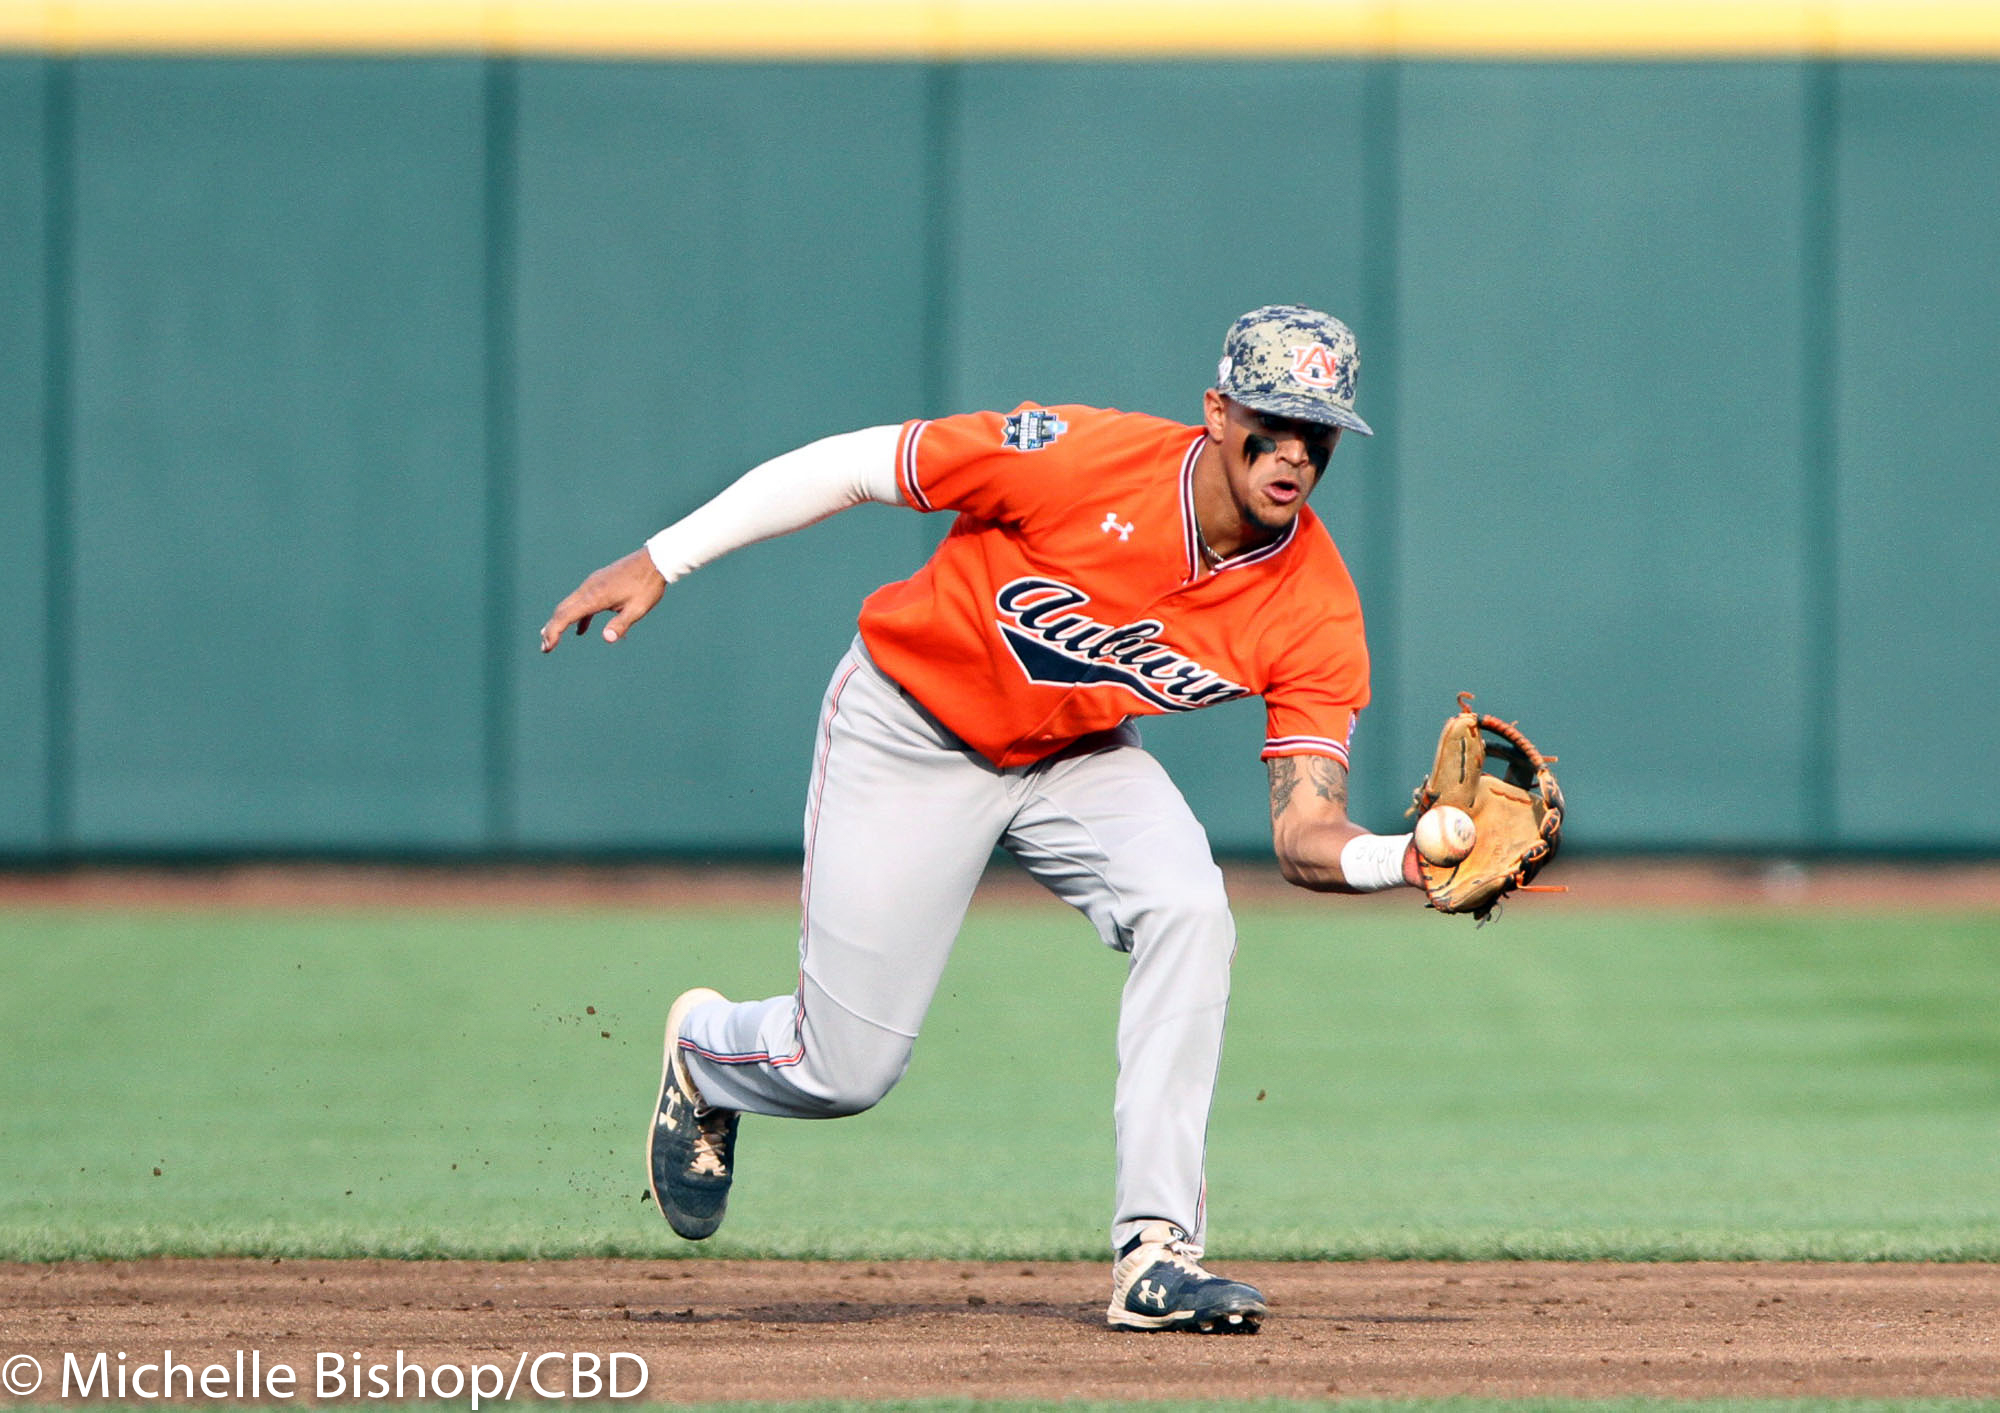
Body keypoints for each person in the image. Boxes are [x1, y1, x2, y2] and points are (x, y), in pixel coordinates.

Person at [539, 305, 1424, 1334]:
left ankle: (1156, 1253)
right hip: (909, 727)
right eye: (1274, 422)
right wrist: (665, 555)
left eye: (1320, 433)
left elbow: (1305, 834)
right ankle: (707, 1057)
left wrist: (1406, 858)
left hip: (1075, 754)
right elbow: (857, 465)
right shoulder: (1080, 458)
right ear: (1218, 412)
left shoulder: (1315, 604)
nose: (1296, 454)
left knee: (1191, 910)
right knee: (843, 1071)